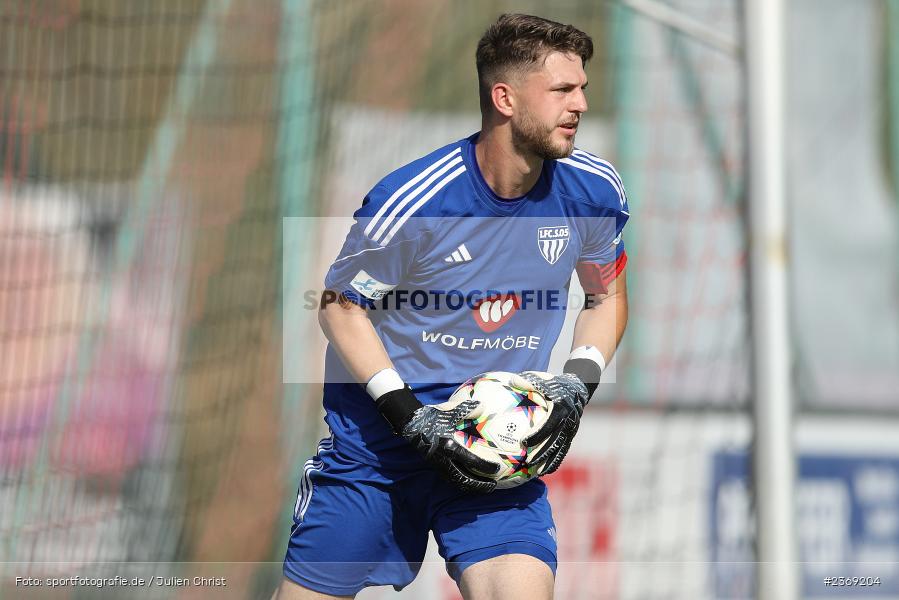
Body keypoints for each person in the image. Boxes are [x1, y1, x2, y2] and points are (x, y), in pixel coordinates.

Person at [275, 13, 629, 600]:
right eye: (563, 90)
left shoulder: (593, 190)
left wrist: (577, 384)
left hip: (496, 449)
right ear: (505, 98)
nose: (581, 105)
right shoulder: (416, 199)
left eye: (583, 88)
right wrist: (410, 415)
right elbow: (339, 306)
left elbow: (606, 295)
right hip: (377, 456)